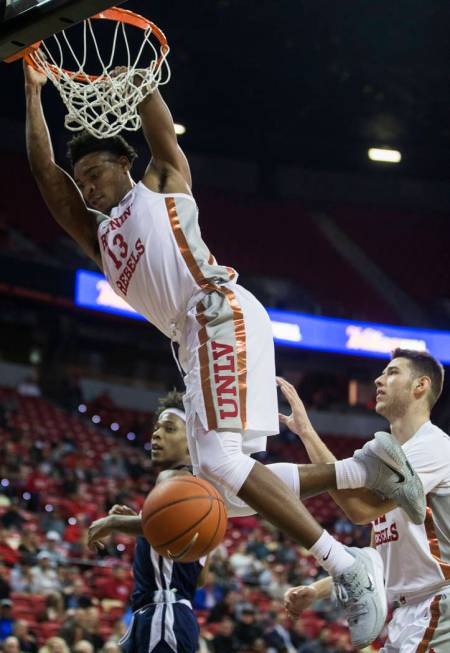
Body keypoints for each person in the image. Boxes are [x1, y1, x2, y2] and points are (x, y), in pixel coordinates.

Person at [25, 59, 425, 648]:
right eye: (82, 179)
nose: (87, 186)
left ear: (124, 164)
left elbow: (160, 132)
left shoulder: (160, 186)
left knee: (215, 465)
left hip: (217, 312)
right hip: (197, 339)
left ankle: (346, 565)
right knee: (229, 490)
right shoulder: (100, 238)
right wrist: (33, 95)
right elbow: (46, 179)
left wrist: (140, 86)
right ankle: (367, 468)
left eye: (95, 173)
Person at [281, 349, 450, 653]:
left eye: (392, 372)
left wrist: (308, 435)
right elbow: (374, 564)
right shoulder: (390, 458)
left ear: (420, 386)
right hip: (407, 613)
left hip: (439, 603)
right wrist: (315, 591)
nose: (378, 379)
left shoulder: (434, 448)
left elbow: (357, 509)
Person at [87, 391, 208, 653]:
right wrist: (141, 525)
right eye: (156, 429)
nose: (156, 434)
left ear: (190, 442)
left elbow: (165, 527)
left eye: (169, 428)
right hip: (175, 613)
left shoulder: (172, 478)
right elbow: (199, 578)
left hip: (163, 613)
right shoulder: (200, 494)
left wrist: (112, 522)